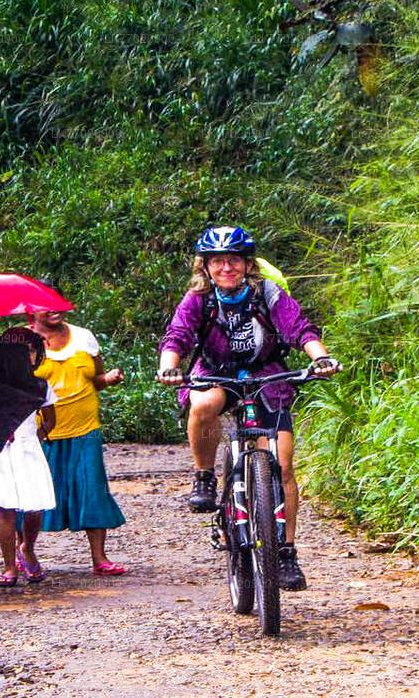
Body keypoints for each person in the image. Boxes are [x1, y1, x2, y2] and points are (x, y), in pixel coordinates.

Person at [155, 226, 340, 591]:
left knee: (283, 465)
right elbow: (177, 336)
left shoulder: (266, 293)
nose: (227, 267)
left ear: (247, 263)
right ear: (205, 266)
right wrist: (168, 366)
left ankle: (285, 551)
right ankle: (205, 476)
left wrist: (320, 358)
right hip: (215, 371)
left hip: (266, 372)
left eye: (234, 260)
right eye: (218, 261)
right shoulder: (199, 298)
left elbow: (299, 328)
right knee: (204, 402)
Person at [28, 307, 129, 575]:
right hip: (39, 433)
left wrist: (109, 379)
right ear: (31, 311)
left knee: (92, 488)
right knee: (30, 493)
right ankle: (24, 554)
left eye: (58, 304)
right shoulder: (21, 341)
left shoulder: (83, 337)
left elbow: (96, 379)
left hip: (85, 428)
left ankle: (100, 559)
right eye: (45, 308)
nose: (54, 311)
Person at [0, 327, 58, 586]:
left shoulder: (40, 386)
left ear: (38, 355)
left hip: (27, 448)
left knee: (34, 505)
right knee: (6, 509)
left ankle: (28, 546)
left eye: (30, 350)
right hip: (0, 451)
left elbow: (50, 419)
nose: (24, 356)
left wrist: (35, 435)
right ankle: (8, 564)